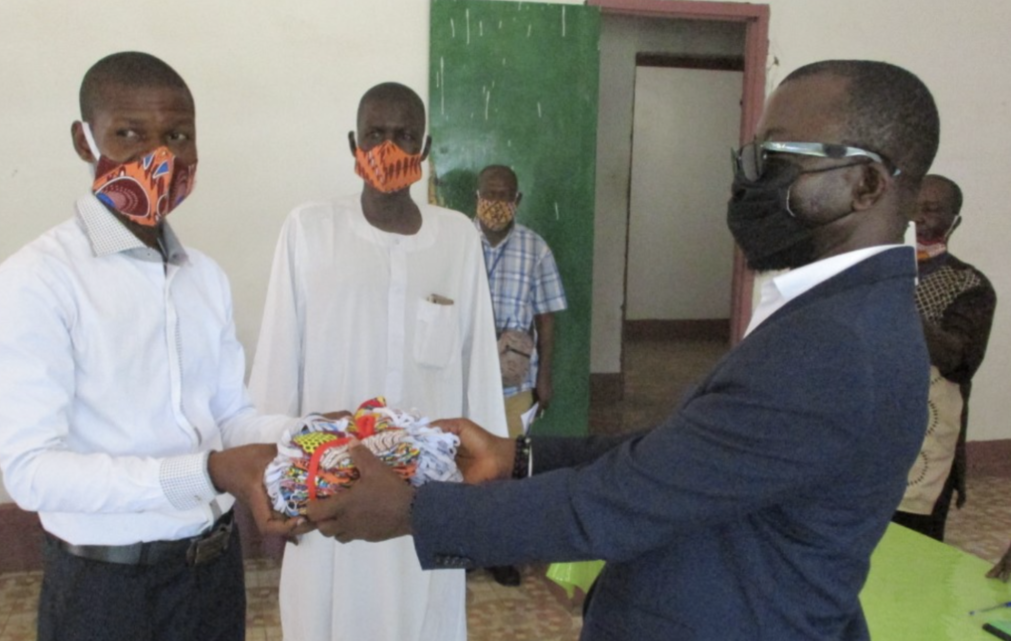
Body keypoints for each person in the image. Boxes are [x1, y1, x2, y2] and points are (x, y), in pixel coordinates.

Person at [305, 59, 938, 641]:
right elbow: (681, 458)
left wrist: (417, 512)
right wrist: (516, 456)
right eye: (748, 157)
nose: (747, 179)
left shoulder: (837, 346)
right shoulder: (841, 315)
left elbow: (621, 501)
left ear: (866, 184)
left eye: (773, 160)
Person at [0, 52, 298, 641]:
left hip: (212, 577)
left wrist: (308, 434)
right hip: (106, 592)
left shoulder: (204, 277)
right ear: (83, 140)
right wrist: (206, 473)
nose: (159, 157)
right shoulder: (38, 280)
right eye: (129, 134)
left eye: (178, 136)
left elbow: (230, 419)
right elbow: (31, 471)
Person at [248, 82, 507, 641]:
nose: (389, 148)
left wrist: (484, 497)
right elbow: (276, 369)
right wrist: (274, 481)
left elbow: (479, 368)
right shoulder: (310, 230)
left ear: (425, 147)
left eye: (405, 136)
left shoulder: (457, 239)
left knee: (424, 619)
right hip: (328, 486)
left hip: (426, 494)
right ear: (354, 144)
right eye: (375, 134)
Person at [474, 164, 567, 586]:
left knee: (509, 469)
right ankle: (466, 546)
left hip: (514, 381)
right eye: (489, 194)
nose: (496, 203)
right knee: (464, 464)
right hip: (465, 381)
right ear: (476, 198)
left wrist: (543, 378)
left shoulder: (536, 249)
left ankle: (500, 553)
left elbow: (546, 319)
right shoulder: (457, 242)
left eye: (505, 195)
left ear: (518, 201)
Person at [892, 175, 996, 541]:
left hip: (925, 441)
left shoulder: (969, 285)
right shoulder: (870, 271)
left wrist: (900, 299)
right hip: (865, 432)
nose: (919, 217)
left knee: (913, 544)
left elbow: (961, 360)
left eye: (932, 209)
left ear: (955, 221)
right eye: (912, 208)